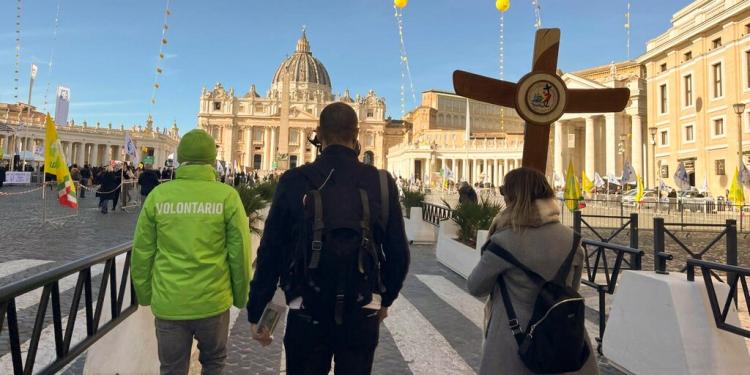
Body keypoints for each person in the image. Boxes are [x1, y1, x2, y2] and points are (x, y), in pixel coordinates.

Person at [247, 102, 410, 375]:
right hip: (361, 309)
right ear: (357, 134)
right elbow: (399, 254)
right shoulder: (380, 181)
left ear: (318, 134)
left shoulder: (293, 180)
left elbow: (271, 250)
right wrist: (384, 299)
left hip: (306, 308)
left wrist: (257, 309)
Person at [132, 129, 252, 375]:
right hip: (213, 300)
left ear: (180, 157)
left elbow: (142, 253)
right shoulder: (227, 197)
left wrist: (145, 295)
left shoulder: (158, 196)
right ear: (212, 159)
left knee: (172, 368)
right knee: (214, 363)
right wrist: (241, 296)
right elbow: (239, 254)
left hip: (169, 301)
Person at [467, 167, 598, 375]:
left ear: (513, 197)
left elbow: (475, 287)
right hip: (562, 342)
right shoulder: (572, 240)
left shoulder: (503, 241)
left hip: (514, 343)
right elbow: (572, 289)